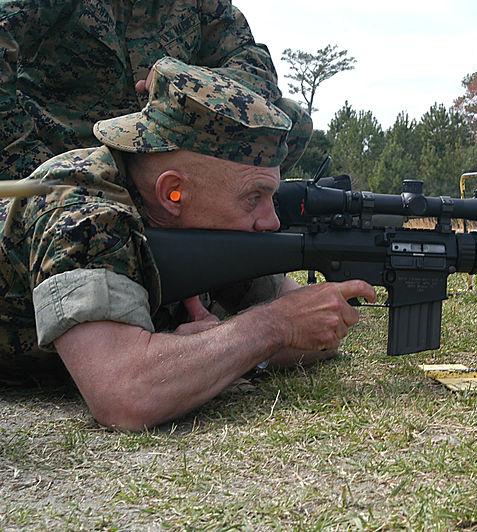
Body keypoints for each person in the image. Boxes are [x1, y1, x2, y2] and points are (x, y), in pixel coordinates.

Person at [0, 57, 376, 431]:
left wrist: (229, 344)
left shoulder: (208, 227)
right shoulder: (78, 207)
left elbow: (314, 336)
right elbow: (125, 394)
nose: (272, 221)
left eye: (271, 196)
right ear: (172, 192)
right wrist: (269, 327)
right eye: (254, 197)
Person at [0, 0, 312, 181]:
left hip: (167, 146)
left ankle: (225, 220)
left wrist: (187, 81)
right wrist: (27, 161)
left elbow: (255, 66)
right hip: (65, 147)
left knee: (290, 121)